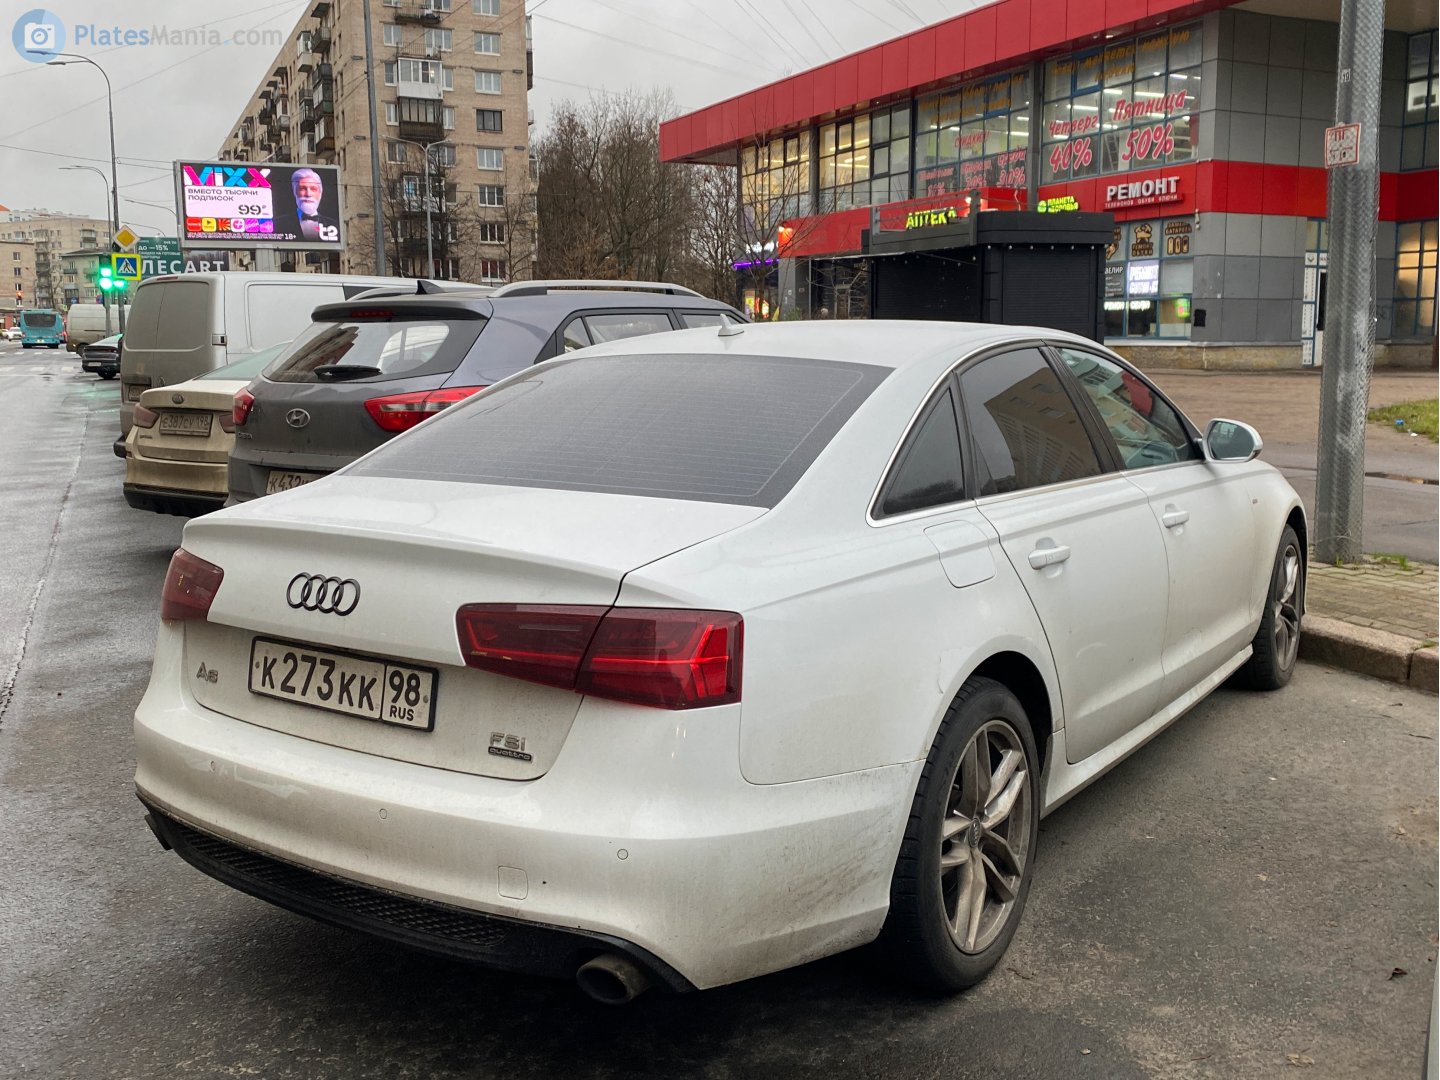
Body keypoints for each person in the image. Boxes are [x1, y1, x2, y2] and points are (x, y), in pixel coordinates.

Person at [273, 168, 340, 243]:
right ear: (295, 192)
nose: (308, 194)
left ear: (320, 194)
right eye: (302, 189)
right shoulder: (278, 224)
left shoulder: (334, 225)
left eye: (313, 189)